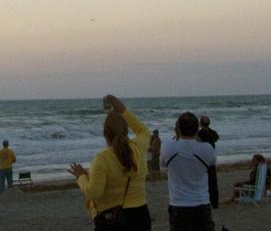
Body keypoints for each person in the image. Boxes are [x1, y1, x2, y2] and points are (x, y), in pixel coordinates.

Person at [68, 94, 151, 231]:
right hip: (140, 216)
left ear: (105, 133)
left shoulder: (102, 158)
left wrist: (81, 177)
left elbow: (94, 193)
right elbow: (143, 130)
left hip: (112, 219)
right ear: (125, 130)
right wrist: (121, 108)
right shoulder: (138, 147)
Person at [161, 112, 216, 231]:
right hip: (202, 203)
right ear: (197, 128)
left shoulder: (168, 147)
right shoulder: (207, 148)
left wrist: (178, 136)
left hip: (179, 204)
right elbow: (211, 162)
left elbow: (162, 164)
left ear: (178, 128)